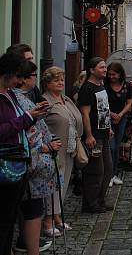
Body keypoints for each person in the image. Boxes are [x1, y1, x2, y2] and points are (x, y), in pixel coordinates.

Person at [0, 56, 48, 255]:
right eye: (18, 77)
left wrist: (33, 115)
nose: (20, 82)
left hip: (16, 162)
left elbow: (17, 124)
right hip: (1, 165)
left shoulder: (8, 94)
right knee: (1, 222)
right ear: (6, 74)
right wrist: (27, 117)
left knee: (8, 221)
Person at [12, 61, 60, 253]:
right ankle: (30, 248)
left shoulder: (23, 97)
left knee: (31, 208)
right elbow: (29, 131)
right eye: (33, 75)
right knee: (32, 209)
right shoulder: (18, 99)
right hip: (34, 160)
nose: (35, 79)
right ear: (22, 79)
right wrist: (46, 147)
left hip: (36, 160)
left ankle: (28, 244)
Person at [42, 67, 83, 237]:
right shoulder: (45, 101)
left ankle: (57, 216)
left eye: (61, 79)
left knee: (64, 183)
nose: (60, 82)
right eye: (56, 80)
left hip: (70, 147)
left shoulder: (66, 99)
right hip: (54, 149)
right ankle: (48, 220)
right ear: (47, 83)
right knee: (54, 185)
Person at [77, 57, 114, 211]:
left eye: (105, 67)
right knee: (95, 171)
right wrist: (89, 135)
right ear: (92, 70)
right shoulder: (87, 89)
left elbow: (104, 109)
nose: (104, 70)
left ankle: (100, 199)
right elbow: (85, 113)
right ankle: (90, 203)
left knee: (108, 169)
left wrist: (109, 127)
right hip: (95, 135)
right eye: (101, 68)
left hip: (104, 133)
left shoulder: (102, 86)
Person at [105, 63, 132, 186]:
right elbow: (102, 104)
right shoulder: (105, 86)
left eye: (114, 74)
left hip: (122, 118)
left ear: (120, 74)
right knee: (111, 147)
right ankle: (108, 175)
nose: (111, 77)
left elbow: (129, 103)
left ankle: (114, 173)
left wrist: (120, 115)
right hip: (107, 118)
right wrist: (112, 115)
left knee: (117, 147)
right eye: (109, 74)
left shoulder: (127, 86)